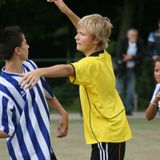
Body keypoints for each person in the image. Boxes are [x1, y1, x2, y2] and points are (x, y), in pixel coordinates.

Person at [20, 0, 132, 160]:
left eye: (81, 34)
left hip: (108, 133)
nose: (76, 36)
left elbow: (67, 69)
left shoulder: (91, 64)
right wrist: (65, 10)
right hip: (110, 131)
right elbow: (85, 27)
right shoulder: (103, 55)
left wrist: (39, 72)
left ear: (95, 40)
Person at [0, 26, 68, 160]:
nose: (28, 46)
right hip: (26, 156)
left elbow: (46, 93)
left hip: (46, 151)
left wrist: (63, 112)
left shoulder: (31, 66)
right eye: (25, 42)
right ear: (18, 50)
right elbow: (5, 130)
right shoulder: (3, 89)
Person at [115, 28, 145, 115]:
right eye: (131, 35)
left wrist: (131, 57)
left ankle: (128, 109)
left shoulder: (139, 42)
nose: (133, 37)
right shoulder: (122, 41)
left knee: (131, 90)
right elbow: (119, 53)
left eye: (135, 35)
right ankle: (119, 109)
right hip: (121, 69)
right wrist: (126, 58)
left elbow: (142, 54)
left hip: (132, 70)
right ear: (128, 35)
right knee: (119, 89)